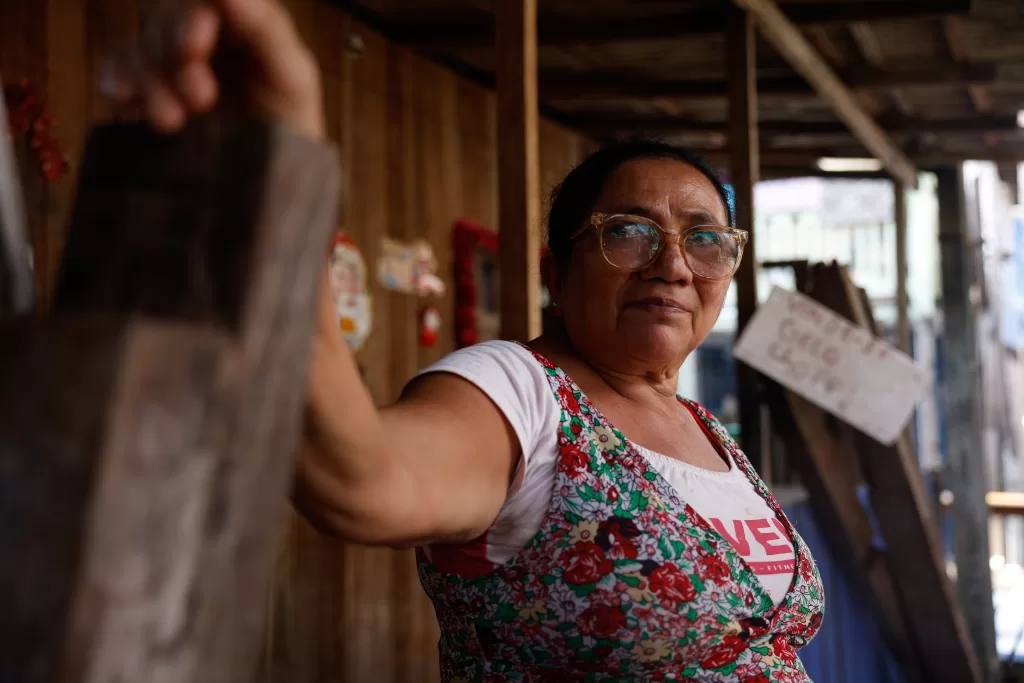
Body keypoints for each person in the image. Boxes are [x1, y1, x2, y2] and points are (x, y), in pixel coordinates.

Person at [140, 0, 824, 679]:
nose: (673, 265)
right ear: (556, 271)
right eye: (628, 232)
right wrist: (278, 168)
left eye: (704, 240)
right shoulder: (522, 393)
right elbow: (360, 478)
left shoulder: (704, 428)